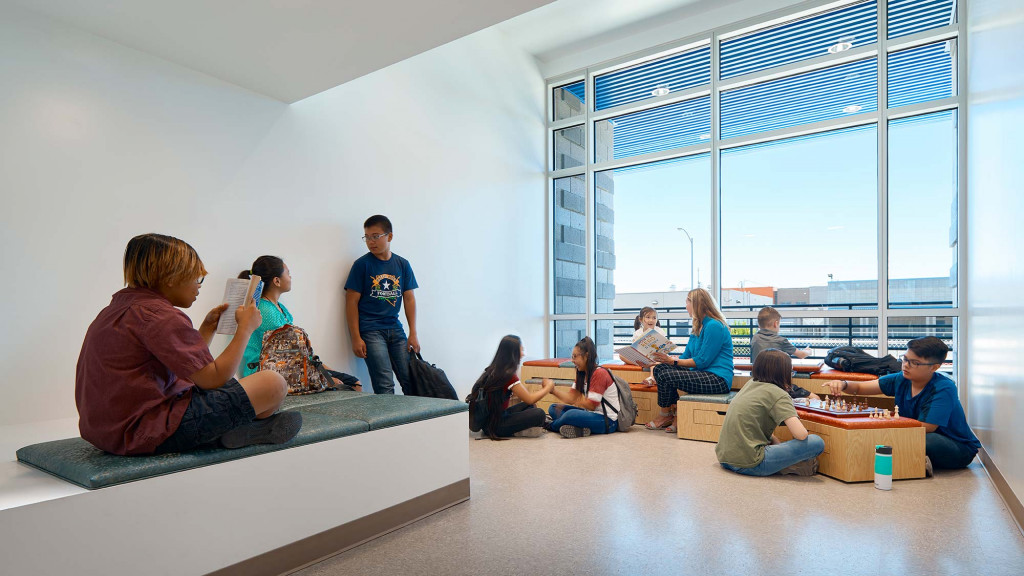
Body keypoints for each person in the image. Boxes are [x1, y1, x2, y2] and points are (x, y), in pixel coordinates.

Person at [75, 234, 301, 456]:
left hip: (107, 432)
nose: (199, 287)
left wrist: (206, 329)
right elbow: (212, 379)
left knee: (245, 388)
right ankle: (236, 430)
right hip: (144, 432)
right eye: (197, 279)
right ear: (171, 278)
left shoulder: (120, 308)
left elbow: (185, 370)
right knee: (273, 384)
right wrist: (245, 329)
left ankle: (233, 429)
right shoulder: (160, 315)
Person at [822, 337, 979, 474]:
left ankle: (913, 462)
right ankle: (913, 462)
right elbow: (860, 388)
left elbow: (927, 427)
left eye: (914, 363)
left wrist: (886, 428)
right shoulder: (901, 378)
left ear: (934, 367)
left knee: (921, 439)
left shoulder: (944, 387)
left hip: (956, 447)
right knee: (893, 439)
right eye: (904, 359)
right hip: (916, 434)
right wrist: (843, 384)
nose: (905, 365)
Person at [240, 256, 360, 391]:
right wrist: (327, 377)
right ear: (277, 281)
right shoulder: (266, 311)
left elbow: (301, 352)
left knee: (353, 382)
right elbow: (292, 356)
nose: (291, 277)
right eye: (288, 273)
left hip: (288, 368)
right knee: (353, 385)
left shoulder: (280, 308)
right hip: (267, 372)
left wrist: (327, 373)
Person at [716, 350, 825, 476]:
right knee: (816, 442)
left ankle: (787, 466)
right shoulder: (778, 394)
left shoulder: (750, 384)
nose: (791, 375)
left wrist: (773, 439)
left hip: (724, 458)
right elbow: (801, 435)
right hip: (751, 463)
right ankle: (791, 466)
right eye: (791, 371)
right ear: (783, 373)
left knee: (773, 439)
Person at [344, 215, 420, 395]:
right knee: (384, 384)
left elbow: (409, 299)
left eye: (375, 236)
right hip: (370, 330)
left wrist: (413, 333)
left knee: (411, 379)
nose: (371, 242)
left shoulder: (402, 264)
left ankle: (416, 421)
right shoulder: (361, 265)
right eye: (367, 237)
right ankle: (390, 423)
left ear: (390, 236)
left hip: (395, 328)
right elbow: (351, 302)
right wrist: (355, 337)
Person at [646, 288, 734, 432]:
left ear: (697, 304)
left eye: (687, 302)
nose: (685, 306)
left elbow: (702, 361)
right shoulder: (698, 327)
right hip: (701, 374)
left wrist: (672, 361)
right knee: (660, 369)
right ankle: (669, 414)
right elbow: (685, 357)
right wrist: (659, 361)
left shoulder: (714, 326)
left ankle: (670, 415)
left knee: (666, 374)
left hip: (717, 379)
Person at [467, 335, 554, 439]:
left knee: (528, 406)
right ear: (513, 353)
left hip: (491, 420)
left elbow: (527, 399)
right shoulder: (508, 375)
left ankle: (524, 428)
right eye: (521, 350)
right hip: (496, 426)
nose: (523, 354)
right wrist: (548, 388)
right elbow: (530, 398)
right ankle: (519, 431)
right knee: (539, 413)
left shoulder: (492, 370)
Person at [546, 336, 621, 438]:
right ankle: (579, 429)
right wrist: (552, 390)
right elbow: (570, 398)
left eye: (575, 356)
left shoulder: (600, 373)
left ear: (586, 356)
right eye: (572, 357)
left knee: (571, 414)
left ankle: (549, 425)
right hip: (591, 414)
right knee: (553, 408)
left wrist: (577, 402)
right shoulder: (582, 373)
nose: (572, 360)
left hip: (608, 421)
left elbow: (591, 405)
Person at [750, 306, 817, 401]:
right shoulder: (781, 341)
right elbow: (801, 355)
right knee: (815, 398)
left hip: (758, 385)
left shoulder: (755, 339)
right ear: (776, 323)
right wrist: (808, 351)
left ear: (759, 325)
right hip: (778, 385)